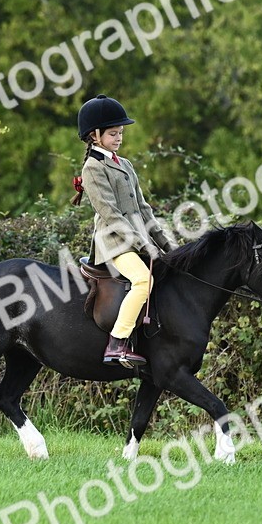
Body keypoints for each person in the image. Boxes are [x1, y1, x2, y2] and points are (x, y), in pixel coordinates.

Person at [74, 94, 176, 366]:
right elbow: (111, 214)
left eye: (120, 133)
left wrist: (167, 246)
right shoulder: (93, 168)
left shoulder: (125, 165)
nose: (119, 138)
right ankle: (117, 343)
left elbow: (144, 209)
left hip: (137, 239)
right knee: (144, 280)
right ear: (95, 136)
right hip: (115, 243)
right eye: (113, 133)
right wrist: (143, 246)